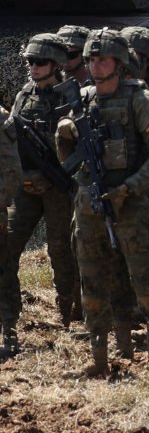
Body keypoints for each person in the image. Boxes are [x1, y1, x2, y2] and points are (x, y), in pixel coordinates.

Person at [61, 29, 149, 374]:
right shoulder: (81, 100)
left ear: (120, 63)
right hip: (90, 205)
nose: (96, 66)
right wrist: (63, 136)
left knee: (146, 282)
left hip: (132, 205)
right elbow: (68, 162)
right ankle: (100, 355)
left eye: (103, 60)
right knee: (93, 282)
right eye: (92, 60)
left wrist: (129, 188)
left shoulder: (138, 99)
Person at [3, 33, 82, 347]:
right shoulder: (24, 93)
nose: (34, 67)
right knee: (8, 245)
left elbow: (76, 145)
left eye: (41, 62)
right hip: (25, 186)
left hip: (58, 187)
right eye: (30, 61)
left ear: (56, 65)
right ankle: (9, 316)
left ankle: (68, 311)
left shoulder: (69, 98)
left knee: (61, 249)